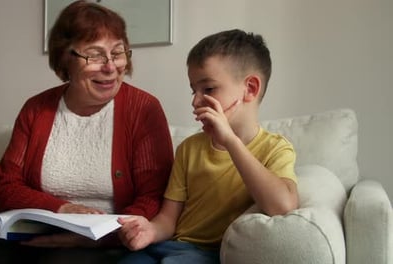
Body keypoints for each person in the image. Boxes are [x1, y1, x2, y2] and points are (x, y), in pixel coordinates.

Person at [0, 1, 174, 263]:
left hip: (109, 238)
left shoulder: (143, 109)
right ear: (65, 58)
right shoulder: (36, 109)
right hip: (42, 227)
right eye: (94, 55)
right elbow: (7, 186)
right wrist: (62, 209)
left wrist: (100, 235)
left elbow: (153, 197)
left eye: (117, 53)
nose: (110, 66)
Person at [117, 29, 299, 264]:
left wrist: (230, 142)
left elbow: (282, 206)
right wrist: (149, 231)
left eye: (209, 89)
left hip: (210, 255)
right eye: (194, 90)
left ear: (250, 88)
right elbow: (168, 220)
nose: (195, 101)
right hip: (169, 246)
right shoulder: (189, 149)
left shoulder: (275, 149)